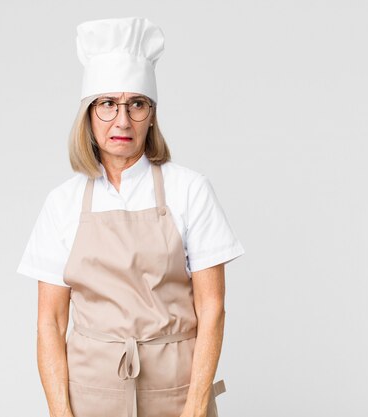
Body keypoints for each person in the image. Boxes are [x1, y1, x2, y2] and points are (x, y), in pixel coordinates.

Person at [16, 16, 245, 417]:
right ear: (88, 114)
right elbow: (50, 322)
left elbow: (212, 309)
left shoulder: (190, 190)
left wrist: (194, 407)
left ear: (152, 115)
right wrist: (59, 412)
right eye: (107, 104)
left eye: (136, 104)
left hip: (176, 393)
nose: (122, 120)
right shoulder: (62, 203)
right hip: (88, 396)